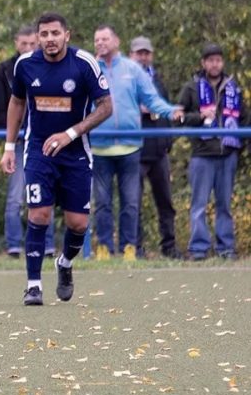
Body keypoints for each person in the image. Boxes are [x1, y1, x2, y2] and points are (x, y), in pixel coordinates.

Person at [0, 12, 112, 306]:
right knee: (39, 215)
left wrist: (71, 133)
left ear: (67, 35)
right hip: (38, 151)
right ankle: (33, 285)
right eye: (44, 34)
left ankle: (64, 262)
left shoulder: (84, 63)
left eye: (55, 34)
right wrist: (9, 146)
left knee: (77, 223)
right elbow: (16, 102)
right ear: (38, 38)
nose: (50, 39)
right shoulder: (25, 65)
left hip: (75, 152)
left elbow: (106, 107)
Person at [90, 26, 182, 261]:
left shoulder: (132, 69)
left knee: (130, 202)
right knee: (102, 203)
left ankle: (129, 247)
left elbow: (151, 98)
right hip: (100, 146)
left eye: (105, 39)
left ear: (116, 41)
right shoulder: (89, 68)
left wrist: (169, 111)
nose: (100, 43)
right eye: (97, 39)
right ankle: (104, 247)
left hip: (130, 147)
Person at [177, 43, 242, 261]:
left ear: (222, 62)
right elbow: (178, 118)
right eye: (210, 60)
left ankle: (226, 248)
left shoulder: (234, 86)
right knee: (199, 205)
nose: (215, 64)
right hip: (202, 154)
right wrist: (200, 116)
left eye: (218, 60)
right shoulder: (191, 87)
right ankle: (198, 249)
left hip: (228, 154)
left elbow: (244, 117)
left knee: (225, 204)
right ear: (203, 63)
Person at [0, 27, 54, 258]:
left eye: (32, 44)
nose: (28, 48)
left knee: (44, 192)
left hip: (43, 139)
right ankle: (14, 246)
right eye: (24, 44)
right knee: (16, 195)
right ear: (16, 43)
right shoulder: (6, 70)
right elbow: (2, 109)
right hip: (19, 141)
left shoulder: (49, 65)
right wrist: (12, 136)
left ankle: (47, 245)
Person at [130, 37, 181, 259]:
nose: (143, 57)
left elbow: (166, 111)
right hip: (136, 152)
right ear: (131, 55)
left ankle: (169, 247)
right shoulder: (126, 79)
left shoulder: (157, 80)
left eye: (146, 53)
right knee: (134, 204)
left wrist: (168, 142)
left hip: (159, 152)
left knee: (166, 203)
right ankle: (136, 248)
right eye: (139, 53)